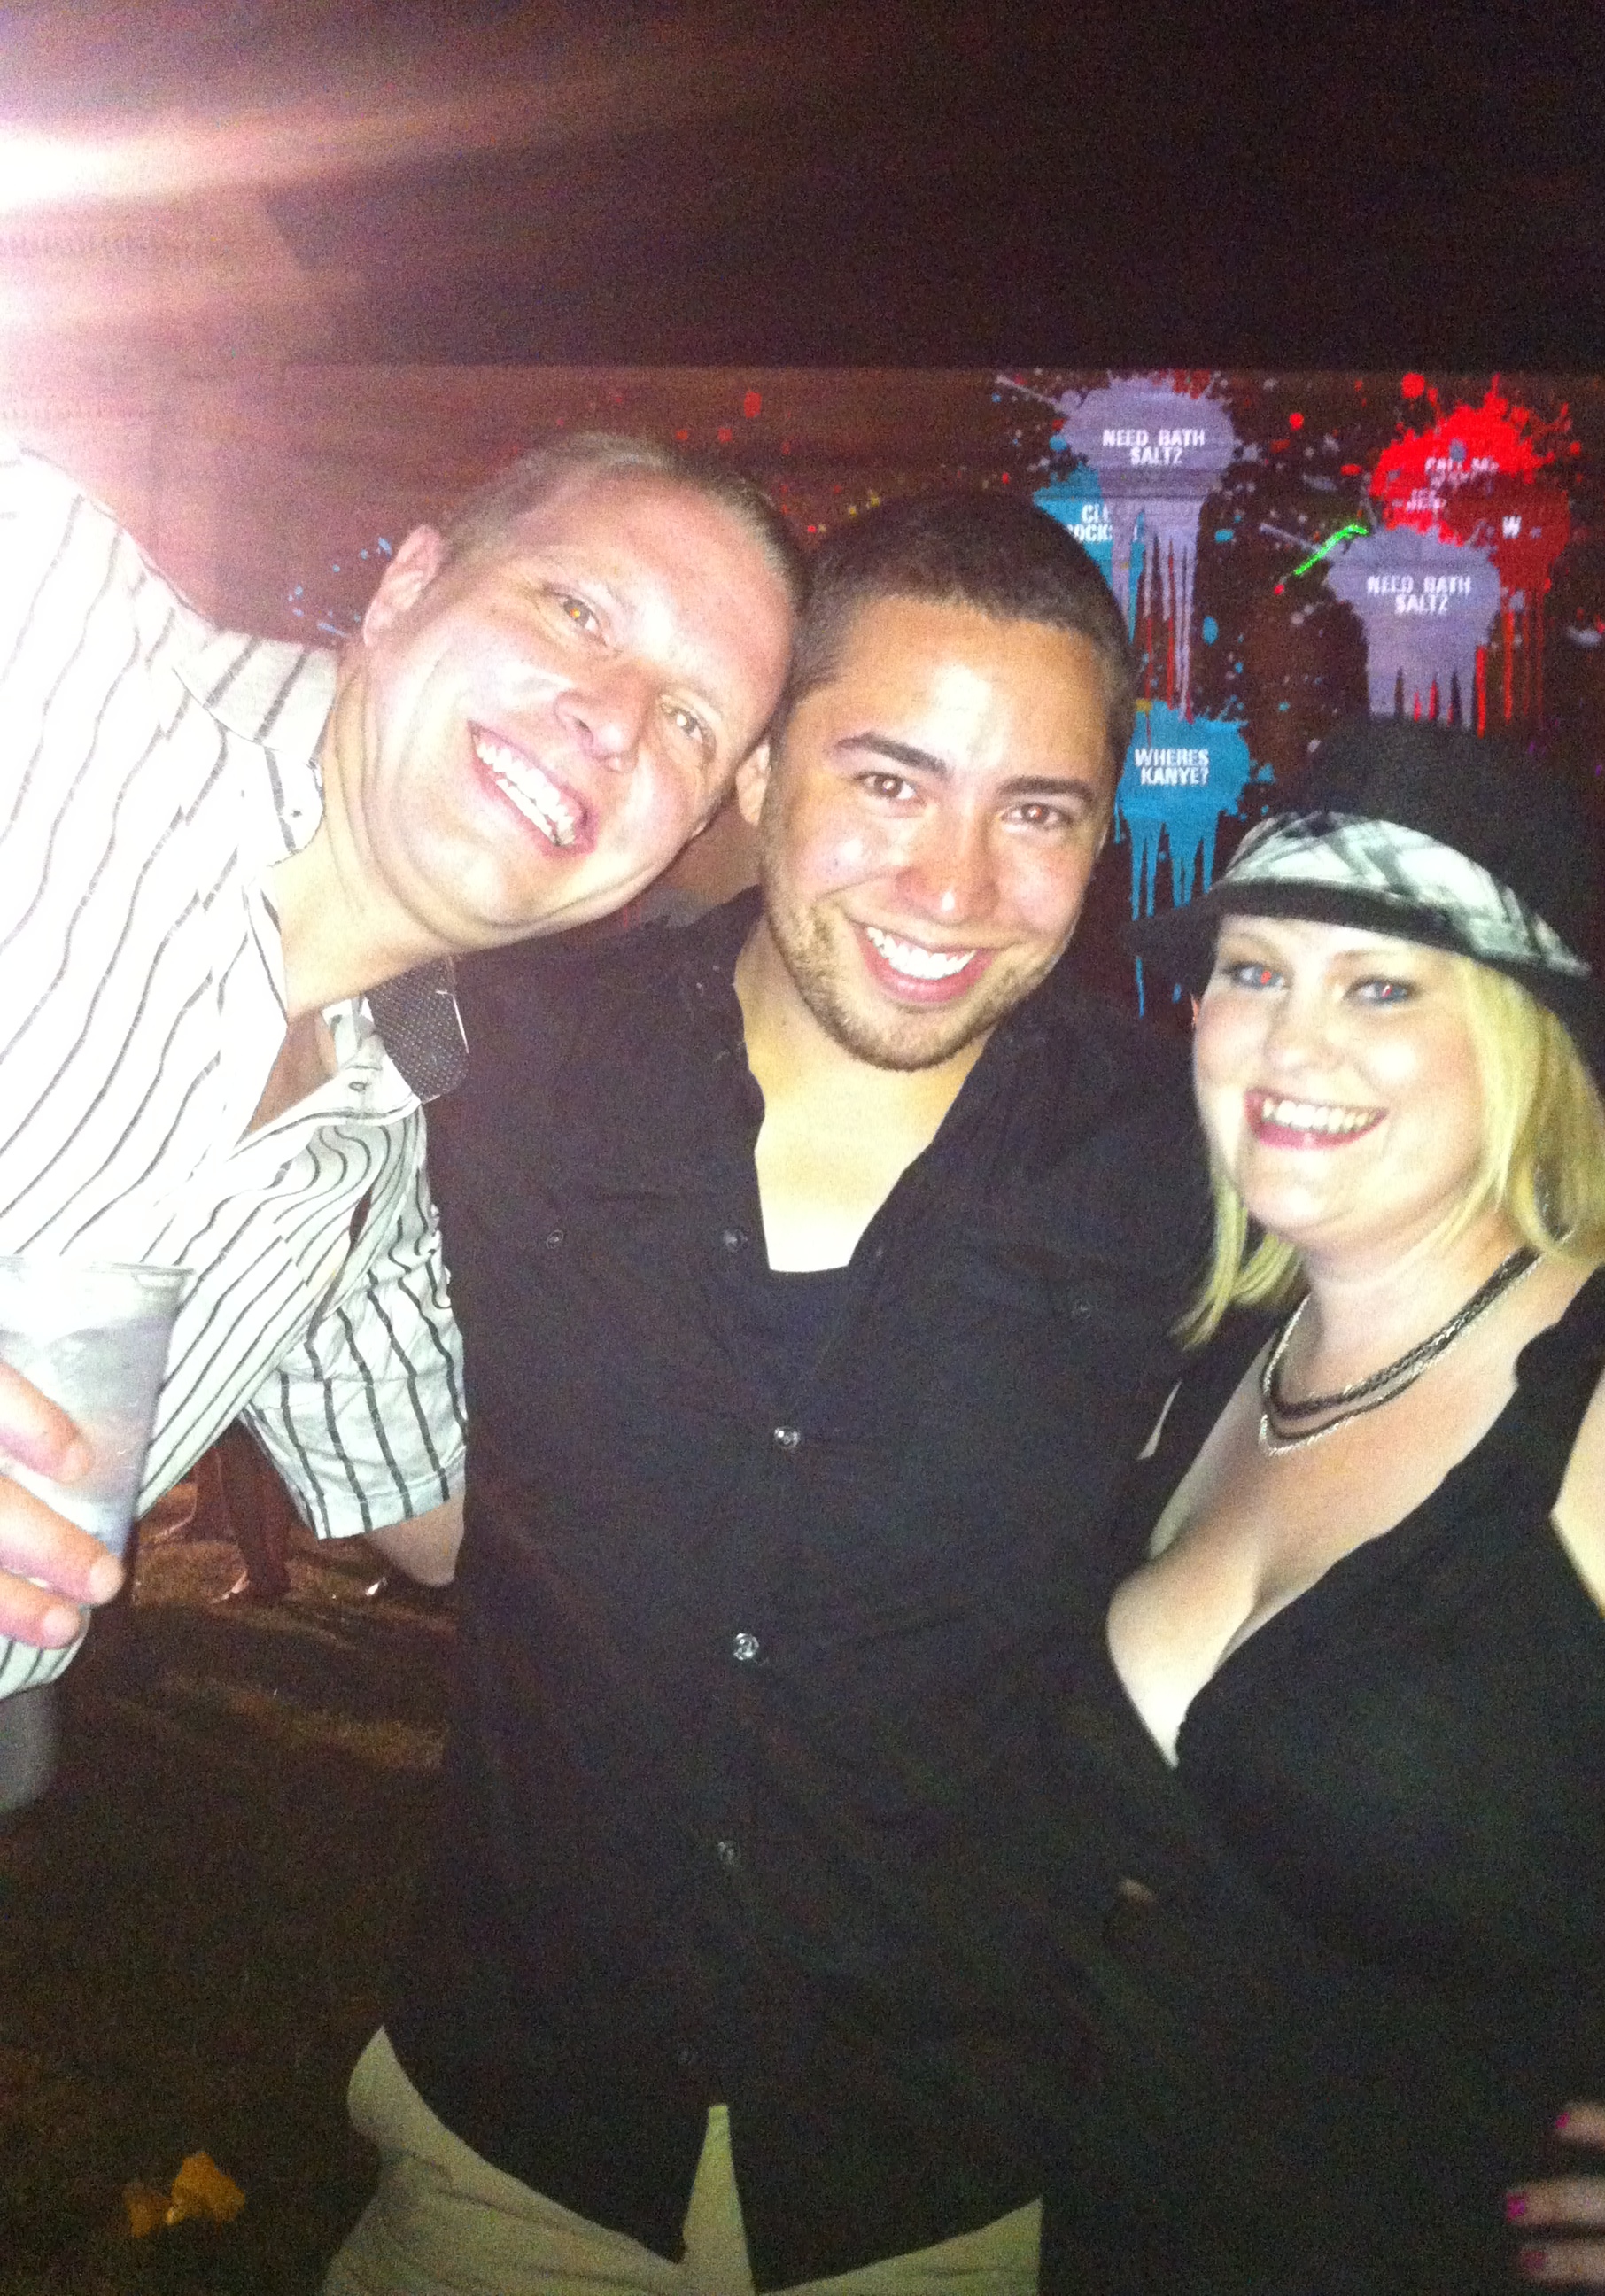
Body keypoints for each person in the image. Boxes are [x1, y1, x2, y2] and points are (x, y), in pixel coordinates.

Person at [321, 491, 1213, 2295]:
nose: (953, 888)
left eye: (1034, 811)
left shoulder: (1180, 1171)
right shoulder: (501, 1062)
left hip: (941, 2191)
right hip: (514, 2153)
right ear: (755, 774)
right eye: (888, 781)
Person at [1044, 718, 1605, 2293]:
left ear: (1526, 1039)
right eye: (1255, 971)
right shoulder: (1215, 1367)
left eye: (1381, 987)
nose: (1292, 1043)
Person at [0, 433, 800, 1743]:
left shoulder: (376, 1151)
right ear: (406, 589)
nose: (613, 720)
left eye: (689, 723)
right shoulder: (46, 625)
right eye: (576, 608)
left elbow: (457, 1515)